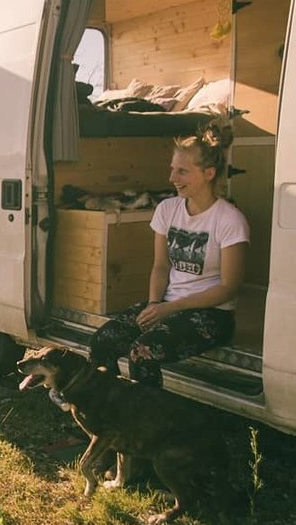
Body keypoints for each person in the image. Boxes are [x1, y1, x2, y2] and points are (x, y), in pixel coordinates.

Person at [89, 121, 249, 388]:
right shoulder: (167, 209)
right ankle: (109, 413)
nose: (172, 178)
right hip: (167, 304)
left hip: (211, 315)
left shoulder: (230, 220)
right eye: (172, 169)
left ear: (209, 173)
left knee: (142, 351)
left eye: (182, 172)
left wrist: (170, 308)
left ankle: (151, 423)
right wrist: (154, 305)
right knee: (102, 341)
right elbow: (161, 266)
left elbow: (229, 288)